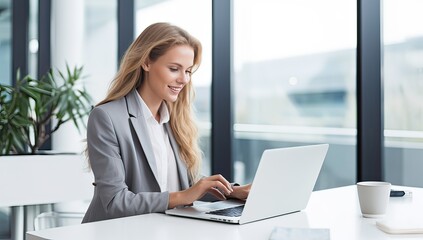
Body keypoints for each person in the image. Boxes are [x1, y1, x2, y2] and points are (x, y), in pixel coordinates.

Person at [82, 22, 251, 223]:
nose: (184, 79)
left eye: (188, 71)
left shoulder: (175, 119)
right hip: (116, 232)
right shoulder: (106, 117)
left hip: (162, 228)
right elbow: (115, 202)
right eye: (174, 69)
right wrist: (183, 196)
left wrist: (233, 191)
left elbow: (182, 185)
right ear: (146, 62)